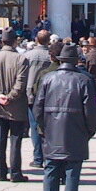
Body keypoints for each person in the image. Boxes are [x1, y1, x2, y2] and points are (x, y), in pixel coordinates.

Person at [33, 43, 96, 191]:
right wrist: (88, 131)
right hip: (76, 130)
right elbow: (91, 111)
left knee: (51, 169)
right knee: (72, 171)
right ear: (76, 60)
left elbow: (37, 108)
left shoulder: (48, 78)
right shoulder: (84, 80)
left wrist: (43, 128)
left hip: (52, 130)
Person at [0, 28, 31, 182]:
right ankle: (15, 173)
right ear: (15, 41)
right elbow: (21, 83)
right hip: (16, 107)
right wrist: (10, 97)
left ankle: (0, 172)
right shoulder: (21, 59)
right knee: (15, 142)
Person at [23, 29, 53, 168]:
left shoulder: (28, 55)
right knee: (47, 126)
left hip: (31, 94)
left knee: (34, 126)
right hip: (48, 93)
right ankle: (48, 156)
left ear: (36, 39)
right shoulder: (51, 56)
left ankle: (38, 157)